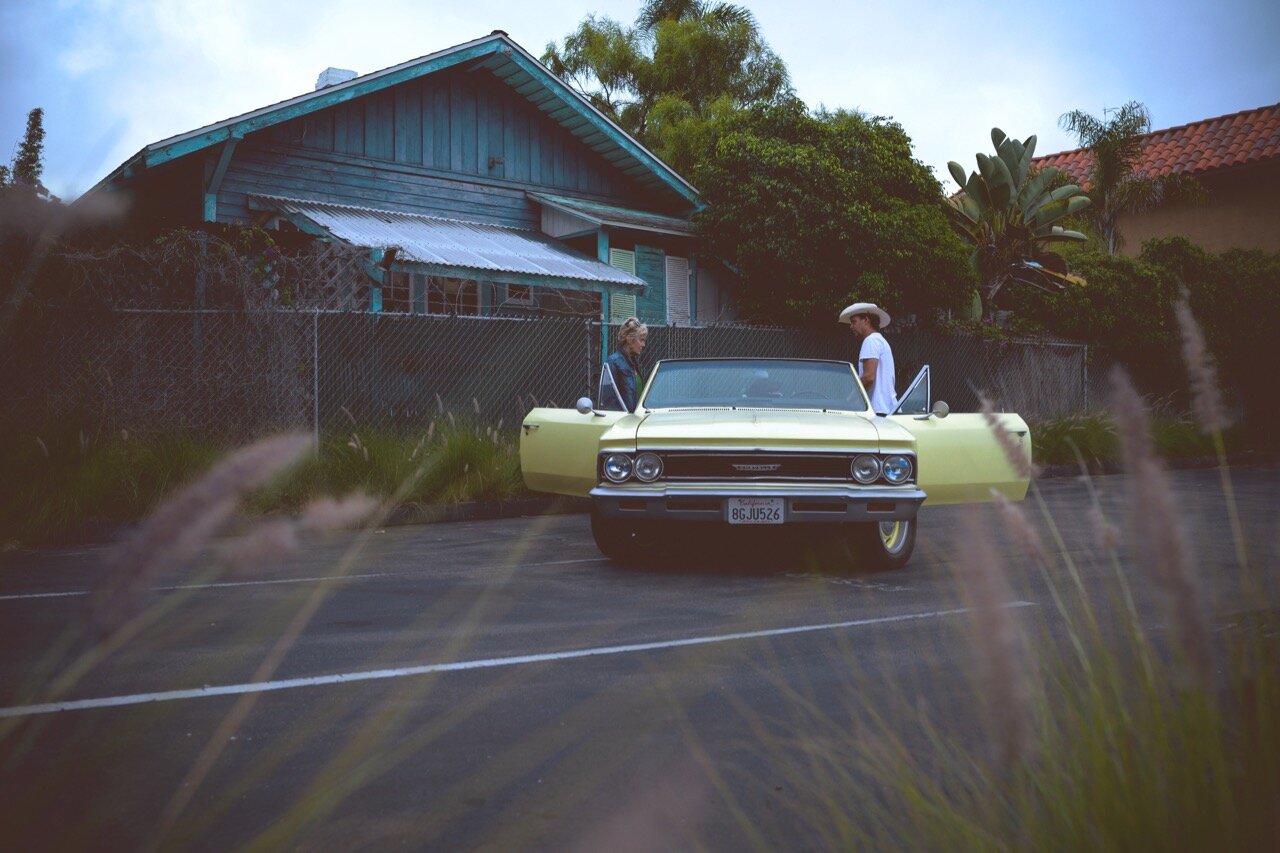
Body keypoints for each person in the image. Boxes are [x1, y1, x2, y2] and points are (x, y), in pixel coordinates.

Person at [838, 301, 897, 415]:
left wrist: (849, 400)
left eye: (854, 322)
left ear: (866, 320)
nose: (851, 326)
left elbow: (869, 377)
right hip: (886, 409)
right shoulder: (879, 340)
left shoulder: (870, 341)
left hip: (877, 411)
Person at [602, 317, 648, 412]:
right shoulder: (613, 362)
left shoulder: (635, 363)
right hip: (624, 419)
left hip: (638, 417)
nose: (643, 345)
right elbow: (608, 400)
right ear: (630, 339)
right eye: (641, 340)